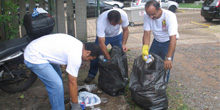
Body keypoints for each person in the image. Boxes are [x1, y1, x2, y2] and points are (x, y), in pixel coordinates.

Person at [24, 33, 100, 110]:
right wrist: (75, 105)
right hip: (34, 55)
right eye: (89, 59)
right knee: (56, 85)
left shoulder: (78, 44)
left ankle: (58, 100)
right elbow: (72, 82)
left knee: (58, 77)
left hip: (37, 49)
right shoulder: (76, 56)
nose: (87, 61)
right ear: (88, 52)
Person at [84, 8, 129, 83]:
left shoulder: (123, 15)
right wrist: (109, 59)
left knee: (120, 55)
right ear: (108, 19)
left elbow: (126, 30)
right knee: (95, 54)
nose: (115, 26)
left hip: (117, 36)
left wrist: (124, 44)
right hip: (105, 36)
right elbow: (102, 44)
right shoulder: (101, 21)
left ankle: (122, 75)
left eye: (117, 23)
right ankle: (91, 74)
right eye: (113, 24)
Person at [142, 0, 179, 81]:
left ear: (159, 9)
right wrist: (145, 48)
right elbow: (147, 34)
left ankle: (162, 87)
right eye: (149, 14)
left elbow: (173, 38)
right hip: (156, 41)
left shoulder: (169, 16)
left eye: (153, 14)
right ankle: (152, 84)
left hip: (168, 42)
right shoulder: (147, 16)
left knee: (166, 66)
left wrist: (168, 58)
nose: (151, 17)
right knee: (150, 63)